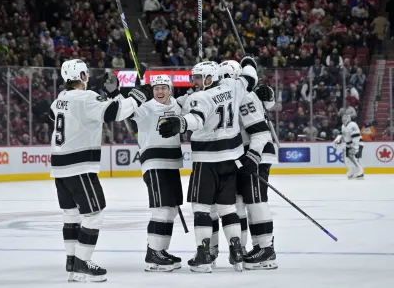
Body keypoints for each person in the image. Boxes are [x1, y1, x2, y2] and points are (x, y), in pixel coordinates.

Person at [49, 59, 153, 282]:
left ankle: (72, 261)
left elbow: (60, 115)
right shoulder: (86, 98)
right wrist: (138, 94)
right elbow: (116, 112)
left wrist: (117, 92)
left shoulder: (60, 99)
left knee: (71, 215)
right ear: (83, 76)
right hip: (79, 167)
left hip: (59, 168)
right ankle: (82, 262)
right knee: (94, 215)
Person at [158, 57, 261, 273]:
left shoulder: (200, 97)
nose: (193, 81)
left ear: (208, 78)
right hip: (231, 160)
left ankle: (204, 256)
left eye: (197, 77)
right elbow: (250, 77)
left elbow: (197, 119)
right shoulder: (232, 86)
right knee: (228, 208)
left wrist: (181, 123)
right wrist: (249, 61)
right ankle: (237, 252)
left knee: (201, 209)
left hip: (207, 161)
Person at [217, 60, 278, 270]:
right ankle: (258, 248)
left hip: (256, 153)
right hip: (248, 153)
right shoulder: (238, 95)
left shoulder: (244, 97)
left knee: (256, 200)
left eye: (225, 77)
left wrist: (253, 156)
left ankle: (266, 249)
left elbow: (260, 132)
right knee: (244, 201)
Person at [130, 74, 183, 272]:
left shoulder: (178, 106)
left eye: (163, 87)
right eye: (156, 88)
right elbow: (127, 112)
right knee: (161, 209)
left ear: (170, 89)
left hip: (172, 163)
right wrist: (133, 93)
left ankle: (161, 251)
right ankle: (153, 254)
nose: (160, 92)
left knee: (171, 210)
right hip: (154, 163)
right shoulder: (145, 108)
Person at [332, 114, 364, 180]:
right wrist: (337, 141)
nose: (344, 120)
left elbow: (356, 137)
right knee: (347, 160)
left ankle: (360, 172)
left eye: (345, 119)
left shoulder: (353, 125)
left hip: (356, 144)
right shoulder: (343, 126)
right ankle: (352, 172)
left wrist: (352, 144)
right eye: (343, 119)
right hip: (349, 144)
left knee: (354, 159)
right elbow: (343, 135)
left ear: (349, 119)